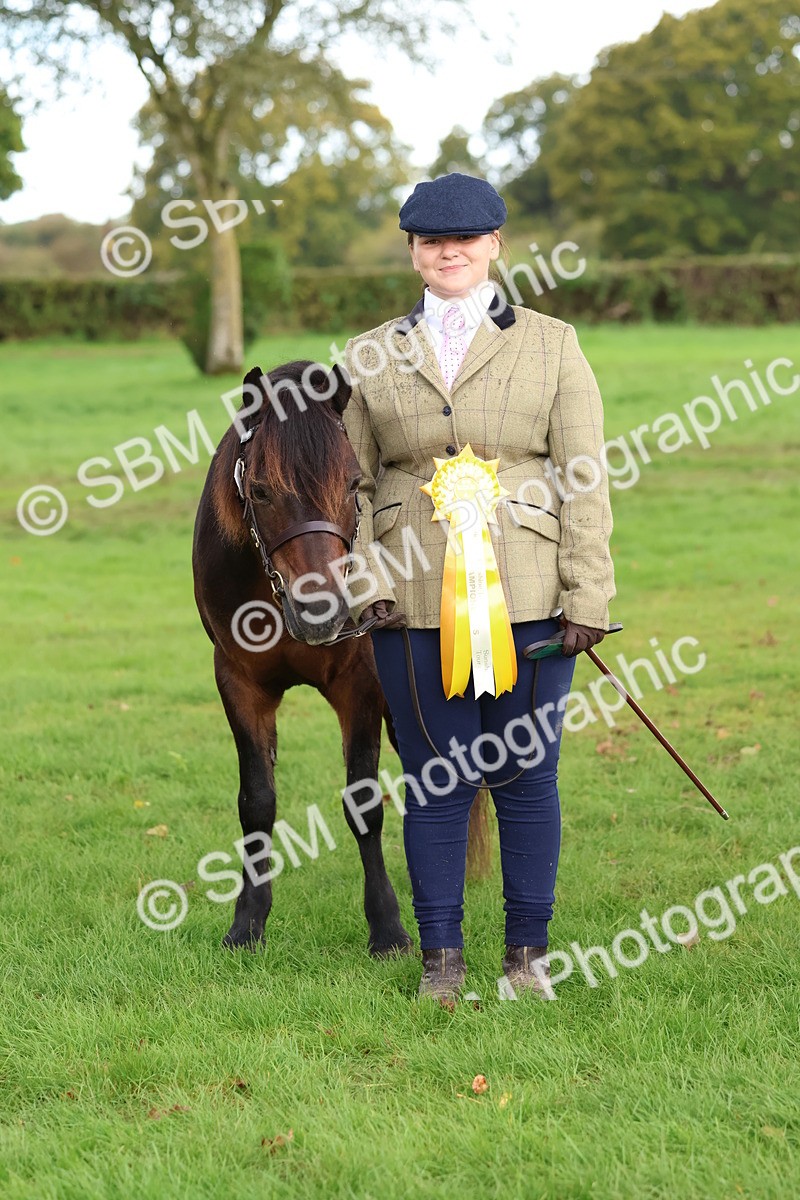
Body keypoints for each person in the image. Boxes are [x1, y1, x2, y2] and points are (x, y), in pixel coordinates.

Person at [341, 172, 615, 1005]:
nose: (447, 251)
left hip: (531, 596)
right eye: (430, 241)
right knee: (437, 779)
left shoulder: (552, 342)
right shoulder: (366, 353)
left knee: (528, 777)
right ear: (414, 252)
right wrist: (361, 580)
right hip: (408, 597)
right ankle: (442, 962)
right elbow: (347, 485)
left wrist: (589, 594)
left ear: (495, 244)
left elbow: (583, 475)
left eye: (463, 239)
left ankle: (526, 957)